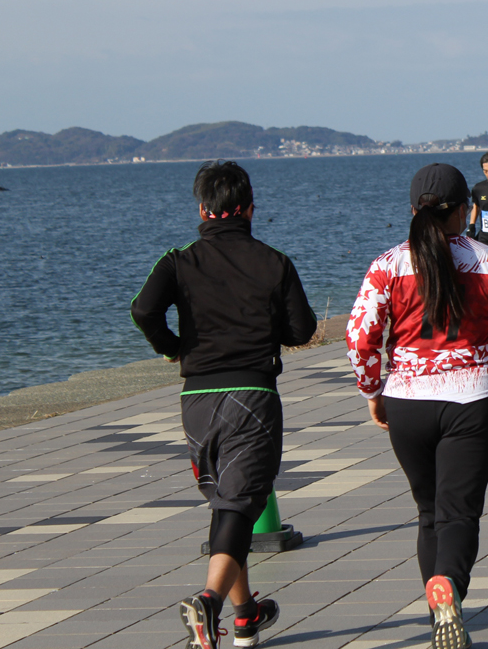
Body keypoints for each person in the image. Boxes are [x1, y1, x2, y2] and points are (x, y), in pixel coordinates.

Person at [131, 161, 316, 649]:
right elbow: (302, 330)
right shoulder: (274, 261)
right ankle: (208, 603)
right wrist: (262, 330)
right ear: (251, 208)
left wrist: (173, 347)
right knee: (240, 503)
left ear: (202, 208)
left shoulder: (178, 260)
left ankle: (245, 617)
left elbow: (142, 309)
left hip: (196, 398)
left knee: (227, 503)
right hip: (252, 393)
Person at [347, 164, 488, 649]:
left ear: (412, 211)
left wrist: (374, 392)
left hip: (407, 400)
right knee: (459, 514)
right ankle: (448, 583)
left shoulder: (387, 264)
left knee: (428, 513)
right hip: (471, 398)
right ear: (466, 211)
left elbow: (360, 338)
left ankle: (440, 620)